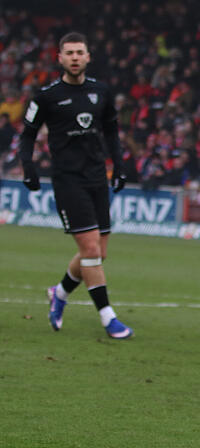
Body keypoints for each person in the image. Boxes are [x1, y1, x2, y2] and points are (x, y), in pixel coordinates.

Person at [19, 32, 132, 339]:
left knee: (98, 253)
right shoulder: (46, 96)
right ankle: (109, 318)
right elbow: (27, 135)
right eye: (69, 53)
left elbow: (111, 131)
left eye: (79, 52)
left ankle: (59, 293)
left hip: (97, 178)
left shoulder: (101, 92)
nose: (74, 57)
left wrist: (119, 166)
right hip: (68, 180)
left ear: (88, 57)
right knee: (91, 249)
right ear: (60, 58)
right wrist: (28, 167)